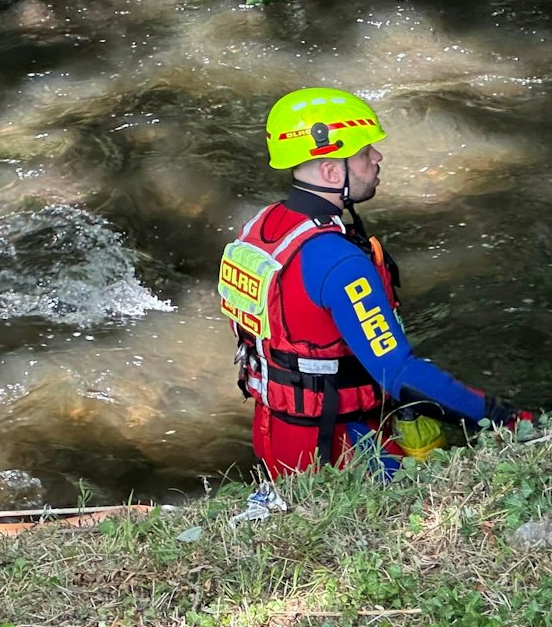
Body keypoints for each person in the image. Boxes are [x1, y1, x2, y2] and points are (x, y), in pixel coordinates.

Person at [217, 87, 529, 480]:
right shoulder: (338, 260)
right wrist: (505, 417)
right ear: (332, 171)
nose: (377, 158)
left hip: (276, 430)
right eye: (365, 153)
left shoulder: (260, 229)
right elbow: (398, 373)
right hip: (337, 448)